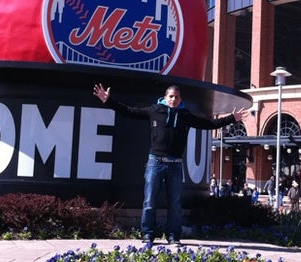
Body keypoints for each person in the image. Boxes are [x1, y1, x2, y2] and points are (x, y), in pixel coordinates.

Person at [92, 83, 248, 245]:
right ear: (165, 98)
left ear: (180, 99)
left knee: (175, 204)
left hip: (175, 165)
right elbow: (129, 111)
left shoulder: (185, 115)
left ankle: (173, 236)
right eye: (171, 96)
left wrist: (232, 118)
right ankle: (148, 235)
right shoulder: (154, 111)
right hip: (155, 163)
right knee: (149, 201)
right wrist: (108, 101)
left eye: (177, 97)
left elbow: (208, 124)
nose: (174, 99)